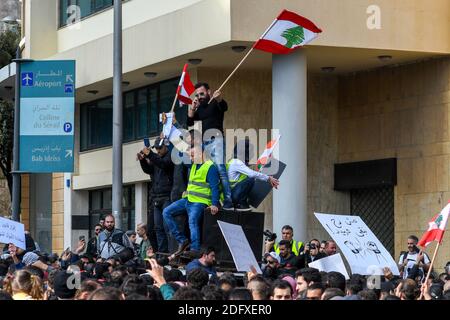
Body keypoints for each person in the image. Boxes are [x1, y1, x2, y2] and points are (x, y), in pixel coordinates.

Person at [163, 143, 222, 256]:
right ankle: (182, 240)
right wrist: (168, 139)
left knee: (192, 221)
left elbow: (215, 188)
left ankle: (195, 249)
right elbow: (178, 153)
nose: (191, 158)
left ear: (202, 153)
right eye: (190, 155)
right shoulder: (194, 164)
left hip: (200, 202)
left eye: (193, 155)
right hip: (188, 199)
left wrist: (214, 204)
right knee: (166, 212)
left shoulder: (210, 167)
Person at [187, 82, 233, 211]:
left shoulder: (215, 102)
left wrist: (219, 98)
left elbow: (224, 107)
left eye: (202, 93)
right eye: (197, 95)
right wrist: (192, 109)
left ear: (208, 91)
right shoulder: (200, 107)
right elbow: (189, 122)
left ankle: (228, 200)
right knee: (210, 171)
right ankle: (215, 200)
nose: (200, 96)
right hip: (205, 142)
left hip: (216, 139)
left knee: (220, 170)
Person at [138, 136, 174, 253]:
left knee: (166, 226)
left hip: (167, 196)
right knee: (156, 228)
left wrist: (150, 155)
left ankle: (169, 251)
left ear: (166, 146)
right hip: (156, 197)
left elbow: (163, 164)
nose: (158, 151)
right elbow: (149, 170)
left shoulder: (170, 157)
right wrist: (143, 160)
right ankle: (161, 252)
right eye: (156, 148)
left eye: (160, 148)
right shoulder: (156, 158)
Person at [226, 139, 279, 211]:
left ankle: (242, 202)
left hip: (232, 195)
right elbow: (251, 174)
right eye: (251, 152)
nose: (252, 155)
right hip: (234, 196)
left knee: (253, 178)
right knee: (251, 179)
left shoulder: (234, 161)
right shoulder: (237, 162)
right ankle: (241, 203)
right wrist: (268, 178)